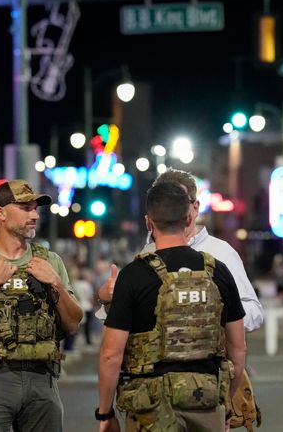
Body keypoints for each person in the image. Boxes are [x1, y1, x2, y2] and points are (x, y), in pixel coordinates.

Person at [97, 182, 247, 431]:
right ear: (189, 219)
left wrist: (105, 414)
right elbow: (238, 350)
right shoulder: (218, 271)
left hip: (149, 407)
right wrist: (225, 404)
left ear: (148, 223)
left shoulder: (134, 275)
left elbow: (111, 355)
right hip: (206, 401)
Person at [0, 179, 83, 432]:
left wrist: (56, 283)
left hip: (41, 378)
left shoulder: (50, 261)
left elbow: (73, 323)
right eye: (25, 208)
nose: (34, 215)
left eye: (35, 209)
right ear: (0, 213)